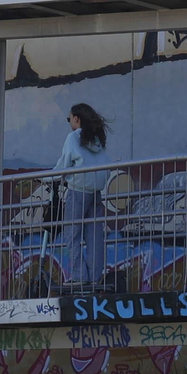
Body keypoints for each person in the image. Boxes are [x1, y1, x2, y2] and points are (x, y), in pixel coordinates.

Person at [52, 102, 112, 288]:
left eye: (69, 118)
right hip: (96, 193)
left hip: (78, 191)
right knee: (94, 236)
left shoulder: (73, 137)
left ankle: (79, 276)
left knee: (72, 235)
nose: (69, 121)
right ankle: (94, 277)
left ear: (76, 118)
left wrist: (49, 177)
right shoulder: (96, 139)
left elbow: (64, 163)